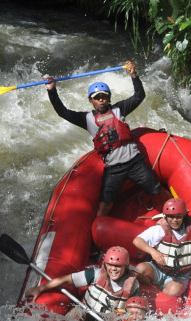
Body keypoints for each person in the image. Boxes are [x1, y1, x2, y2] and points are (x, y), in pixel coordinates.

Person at [44, 60, 161, 216]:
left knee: (157, 190)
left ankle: (174, 215)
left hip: (135, 163)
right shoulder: (87, 119)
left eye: (104, 96)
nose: (101, 99)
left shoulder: (120, 109)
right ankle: (99, 232)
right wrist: (52, 91)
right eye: (97, 97)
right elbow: (63, 112)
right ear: (91, 100)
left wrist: (133, 75)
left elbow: (140, 95)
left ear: (109, 98)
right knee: (105, 206)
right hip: (114, 169)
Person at [132, 198, 191, 313]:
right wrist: (153, 252)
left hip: (180, 274)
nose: (174, 220)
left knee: (174, 291)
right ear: (165, 216)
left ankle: (163, 293)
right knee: (140, 270)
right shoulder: (159, 229)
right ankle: (150, 288)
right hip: (158, 268)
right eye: (171, 217)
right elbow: (137, 241)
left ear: (184, 215)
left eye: (178, 216)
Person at [24, 246, 141, 321]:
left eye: (118, 266)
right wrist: (40, 288)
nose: (113, 269)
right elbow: (66, 280)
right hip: (85, 312)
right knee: (77, 312)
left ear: (125, 266)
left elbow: (133, 310)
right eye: (110, 265)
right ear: (105, 264)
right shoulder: (96, 274)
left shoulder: (133, 285)